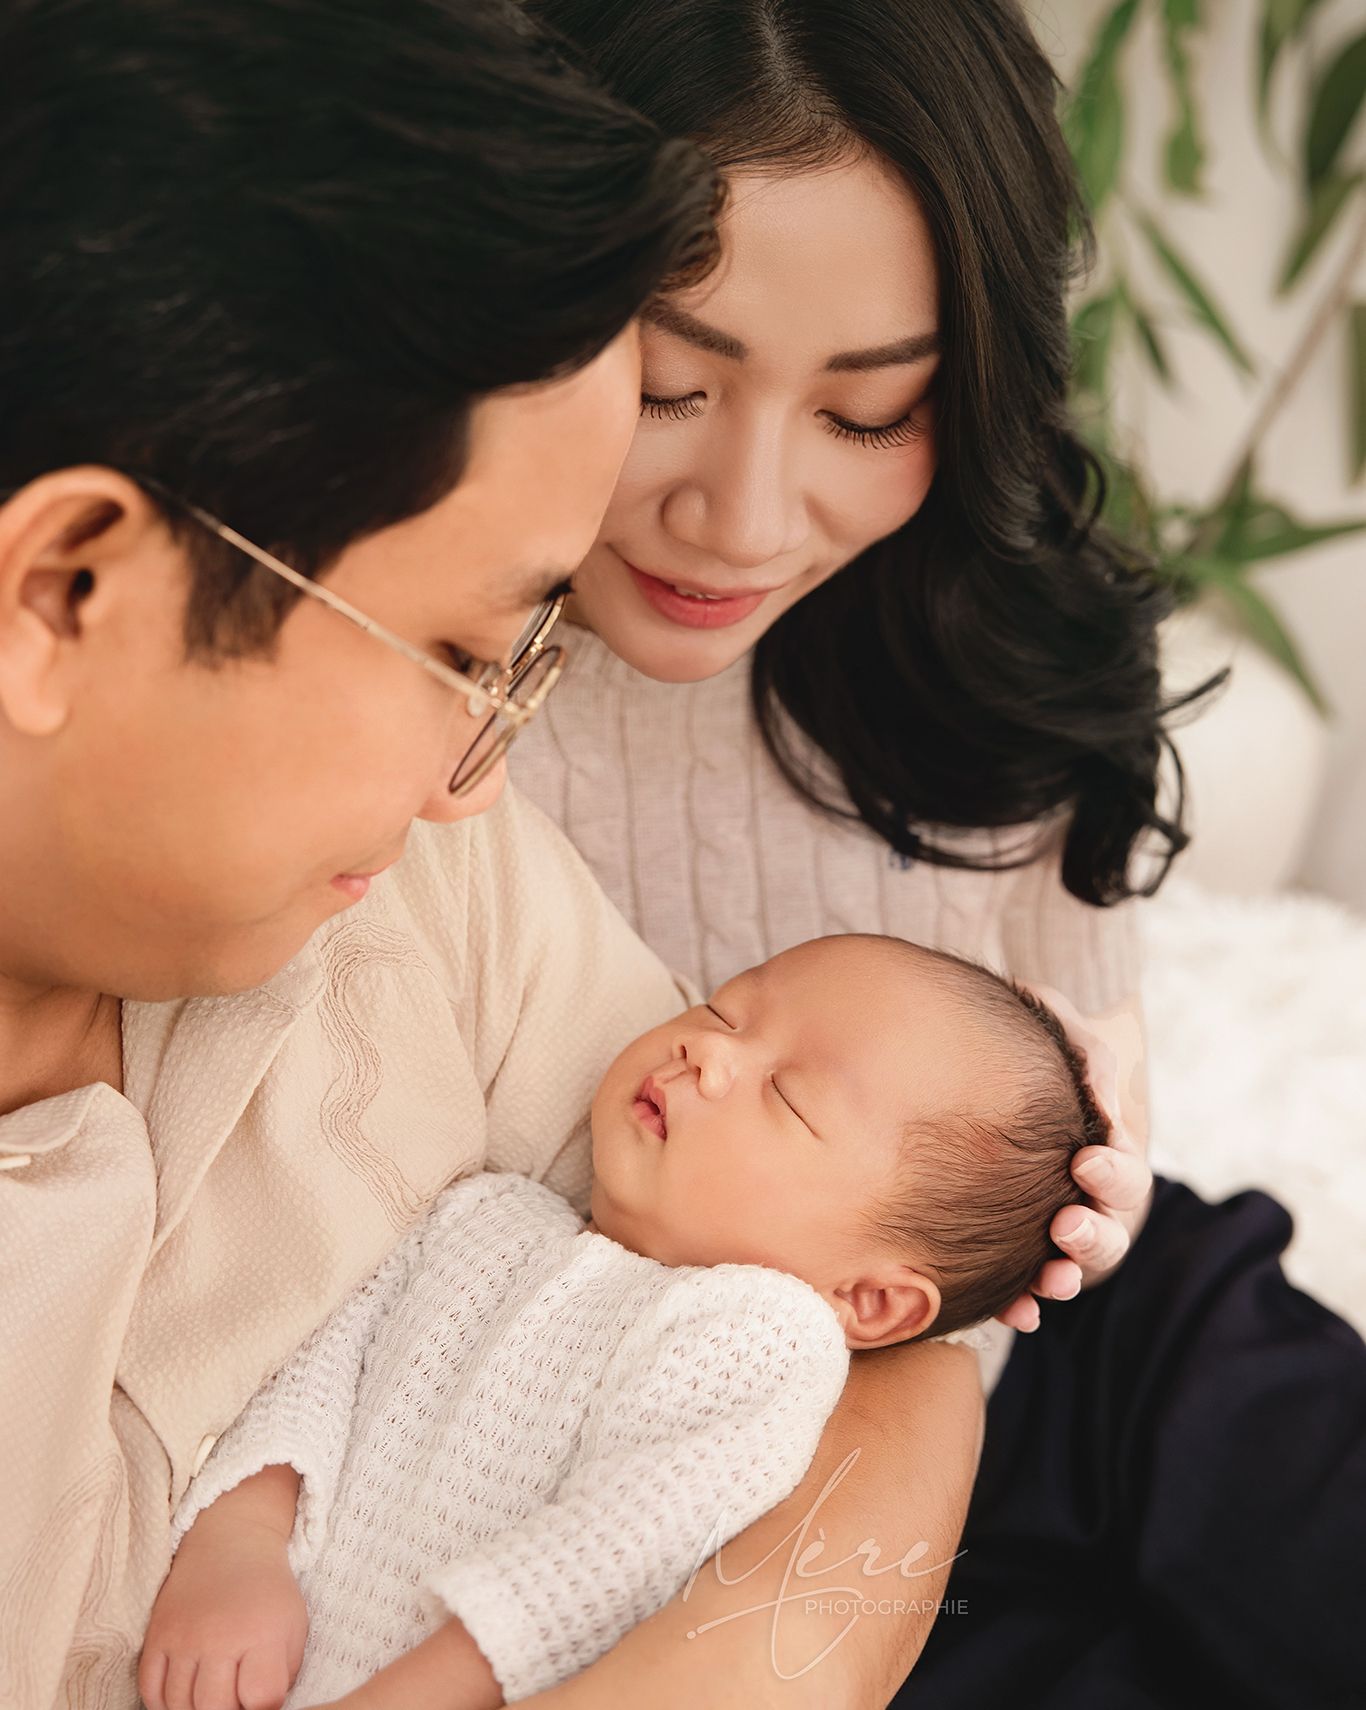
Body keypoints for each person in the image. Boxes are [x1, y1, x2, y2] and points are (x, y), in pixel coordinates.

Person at [0, 4, 993, 1708]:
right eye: (466, 653)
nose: (483, 771)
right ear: (63, 591)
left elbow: (875, 1359)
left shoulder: (424, 886)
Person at [512, 1, 1366, 1704]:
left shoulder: (984, 650)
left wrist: (1091, 1147)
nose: (744, 519)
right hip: (670, 1455)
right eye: (671, 386)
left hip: (1049, 1357)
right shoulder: (366, 680)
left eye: (866, 412)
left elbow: (1052, 1066)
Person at [141, 934, 1105, 1710]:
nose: (709, 1050)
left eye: (787, 1095)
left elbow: (604, 1557)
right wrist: (239, 1546)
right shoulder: (486, 1217)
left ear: (871, 1301)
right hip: (267, 1635)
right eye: (724, 1007)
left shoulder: (762, 1341)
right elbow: (322, 1374)